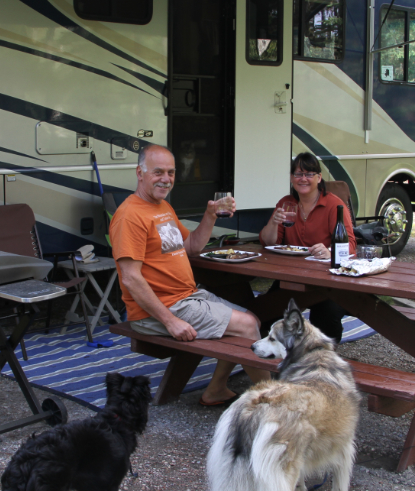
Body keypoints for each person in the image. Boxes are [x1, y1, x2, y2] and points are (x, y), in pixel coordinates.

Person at [109, 145, 269, 406]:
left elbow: (191, 247)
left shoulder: (161, 208)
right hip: (160, 309)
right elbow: (130, 278)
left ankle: (216, 389)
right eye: (158, 172)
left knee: (251, 318)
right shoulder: (130, 215)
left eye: (171, 172)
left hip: (187, 297)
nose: (166, 178)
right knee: (246, 327)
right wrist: (170, 321)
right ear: (140, 173)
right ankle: (273, 402)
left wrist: (210, 215)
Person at [255, 152, 356, 340]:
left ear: (319, 178)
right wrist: (273, 223)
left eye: (309, 174)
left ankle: (324, 359)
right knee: (266, 310)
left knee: (326, 316)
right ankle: (266, 357)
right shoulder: (286, 203)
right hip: (292, 277)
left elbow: (350, 245)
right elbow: (268, 242)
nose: (303, 179)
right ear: (292, 178)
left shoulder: (333, 204)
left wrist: (329, 252)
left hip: (328, 281)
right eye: (298, 174)